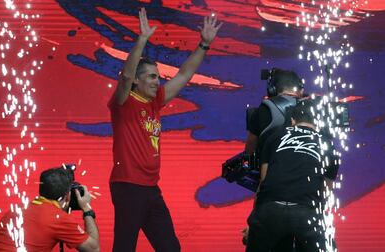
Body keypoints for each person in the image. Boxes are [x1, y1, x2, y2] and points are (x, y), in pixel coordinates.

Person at [108, 7, 222, 252]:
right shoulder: (124, 102)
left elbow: (184, 74)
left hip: (150, 188)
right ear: (138, 81)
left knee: (170, 247)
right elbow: (126, 76)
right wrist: (142, 39)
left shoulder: (155, 102)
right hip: (128, 185)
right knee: (124, 248)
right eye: (150, 77)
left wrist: (203, 45)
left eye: (158, 77)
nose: (156, 81)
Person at [245, 99, 340, 252]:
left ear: (292, 120)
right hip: (306, 212)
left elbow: (264, 181)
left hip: (270, 210)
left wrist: (254, 224)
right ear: (318, 121)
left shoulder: (275, 137)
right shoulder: (328, 146)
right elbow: (326, 193)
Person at [0, 166, 100, 252]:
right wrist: (86, 208)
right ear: (67, 195)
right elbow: (94, 249)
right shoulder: (58, 219)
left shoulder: (18, 209)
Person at [245, 68, 304, 155]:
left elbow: (250, 150)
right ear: (301, 90)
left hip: (271, 166)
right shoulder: (310, 109)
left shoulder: (264, 109)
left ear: (272, 90)